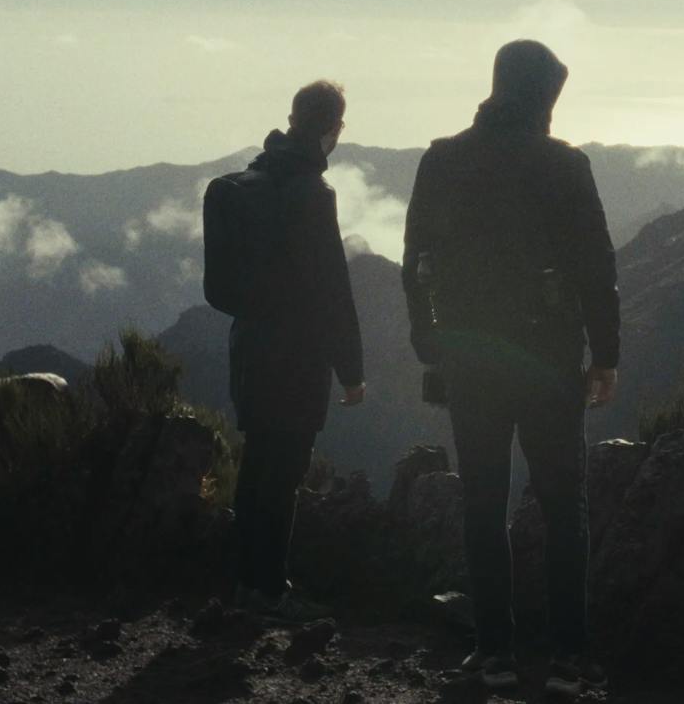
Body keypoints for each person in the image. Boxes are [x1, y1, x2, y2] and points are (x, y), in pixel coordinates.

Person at [402, 40, 620, 697]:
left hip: (469, 358)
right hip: (549, 357)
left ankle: (493, 652)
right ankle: (568, 661)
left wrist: (428, 343)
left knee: (482, 502)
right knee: (562, 508)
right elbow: (595, 268)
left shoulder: (442, 159)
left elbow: (415, 260)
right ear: (540, 93)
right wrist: (605, 355)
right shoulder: (565, 164)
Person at [207, 79, 366, 619]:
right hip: (299, 356)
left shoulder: (248, 181)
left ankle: (245, 583)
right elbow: (333, 289)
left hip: (250, 349)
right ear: (331, 129)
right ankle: (271, 590)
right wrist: (352, 370)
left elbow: (224, 287)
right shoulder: (312, 194)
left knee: (257, 468)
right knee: (285, 472)